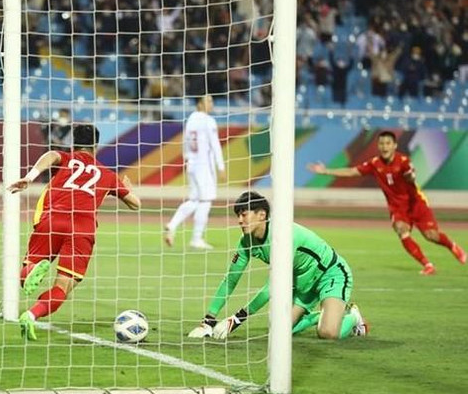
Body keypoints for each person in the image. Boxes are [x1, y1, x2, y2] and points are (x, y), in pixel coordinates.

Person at [7, 124, 141, 341]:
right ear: (96, 146)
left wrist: (30, 177)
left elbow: (50, 155)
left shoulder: (66, 158)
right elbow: (136, 205)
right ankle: (32, 315)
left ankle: (32, 270)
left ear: (73, 143)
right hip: (82, 229)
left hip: (53, 220)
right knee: (63, 288)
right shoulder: (107, 175)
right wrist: (128, 190)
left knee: (26, 273)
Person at [187, 191, 368, 341]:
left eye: (244, 214)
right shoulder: (245, 243)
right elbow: (230, 280)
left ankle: (352, 316)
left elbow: (271, 287)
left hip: (330, 274)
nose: (239, 220)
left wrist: (236, 319)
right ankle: (321, 316)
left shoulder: (283, 235)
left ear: (262, 214)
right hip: (302, 284)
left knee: (327, 333)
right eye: (238, 215)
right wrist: (208, 321)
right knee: (278, 333)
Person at [307, 131, 465, 275]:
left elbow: (411, 176)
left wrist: (410, 176)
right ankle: (428, 265)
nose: (384, 147)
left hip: (416, 204)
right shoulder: (375, 164)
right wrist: (326, 171)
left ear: (394, 145)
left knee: (432, 236)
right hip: (397, 208)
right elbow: (352, 171)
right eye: (381, 143)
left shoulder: (403, 161)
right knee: (401, 230)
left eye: (388, 143)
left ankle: (452, 246)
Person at [164, 95, 226, 249]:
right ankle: (196, 238)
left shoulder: (191, 120)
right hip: (204, 166)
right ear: (199, 103)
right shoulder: (208, 121)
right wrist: (221, 166)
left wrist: (187, 160)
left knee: (195, 199)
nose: (211, 104)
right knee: (205, 201)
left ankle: (172, 225)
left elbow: (185, 143)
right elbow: (215, 145)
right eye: (208, 101)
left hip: (192, 164)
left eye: (211, 101)